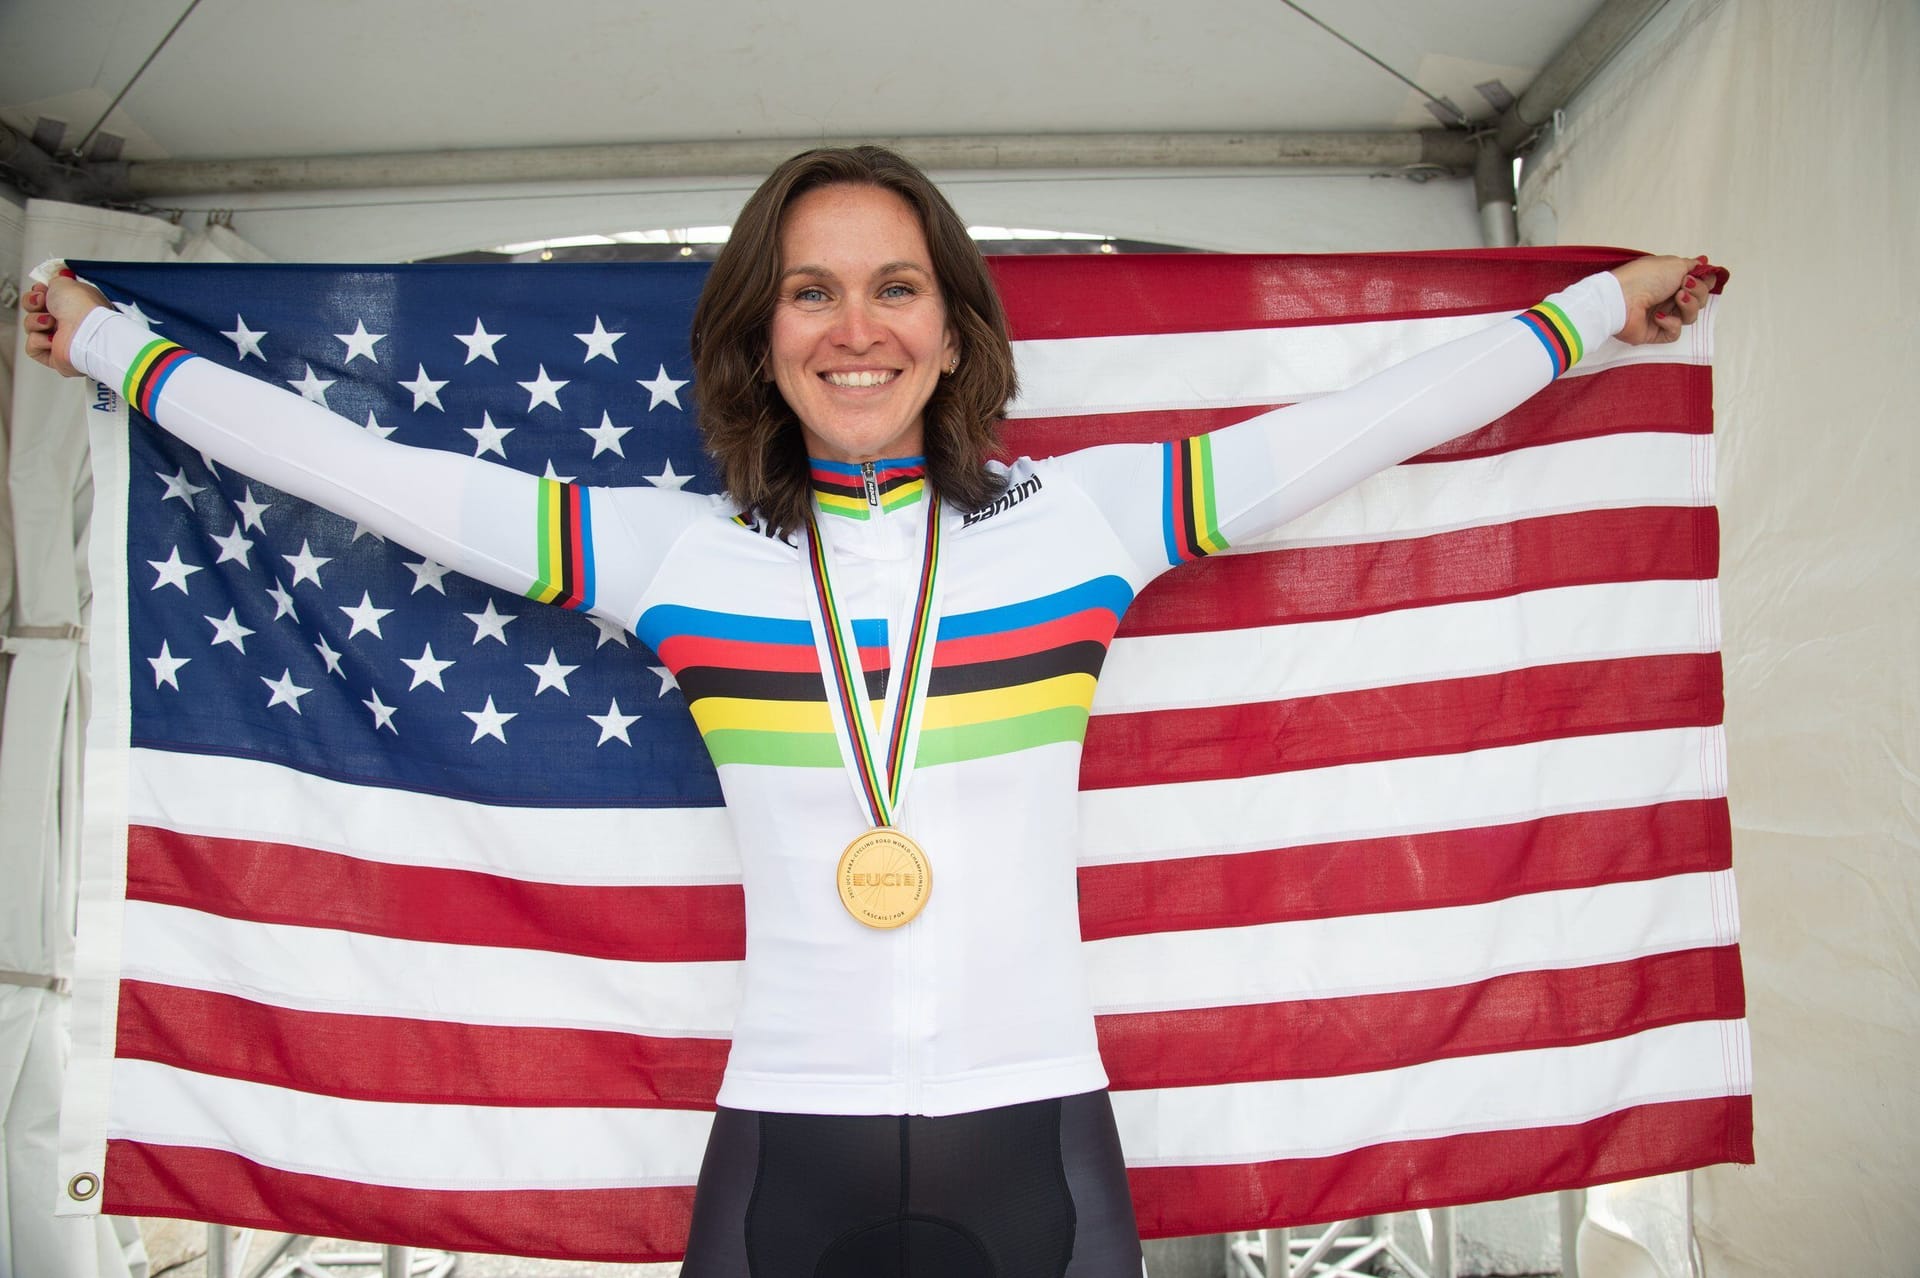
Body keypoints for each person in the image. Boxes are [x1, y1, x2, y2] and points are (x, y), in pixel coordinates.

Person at [24, 144, 1713, 1278]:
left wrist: (1590, 314)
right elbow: (362, 472)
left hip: (1041, 1145)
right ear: (760, 335)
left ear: (955, 328)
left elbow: (1357, 425)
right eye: (812, 290)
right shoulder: (669, 553)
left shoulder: (1086, 524)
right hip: (788, 1153)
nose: (856, 328)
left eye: (896, 286)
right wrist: (115, 350)